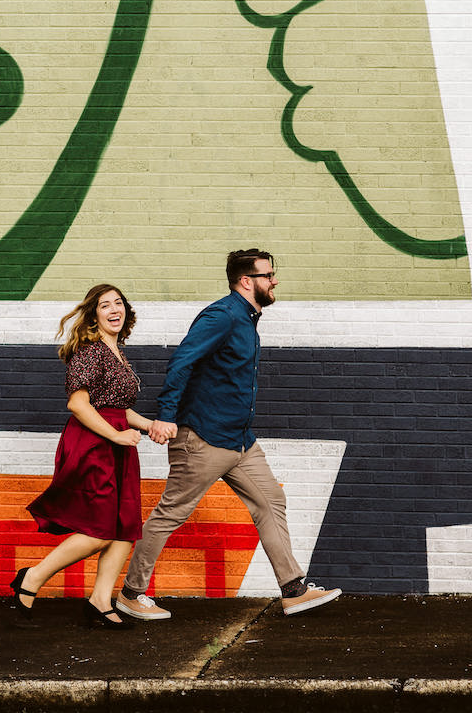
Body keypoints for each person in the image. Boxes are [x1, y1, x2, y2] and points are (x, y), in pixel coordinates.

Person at [115, 249, 341, 619]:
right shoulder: (222, 315)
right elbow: (182, 361)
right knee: (170, 514)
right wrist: (167, 417)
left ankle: (293, 590)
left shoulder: (248, 318)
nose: (275, 281)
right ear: (247, 281)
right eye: (268, 275)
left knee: (271, 502)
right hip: (203, 438)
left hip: (240, 441)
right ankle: (131, 593)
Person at [14, 283, 163, 630]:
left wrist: (151, 426)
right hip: (94, 443)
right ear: (94, 315)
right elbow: (78, 405)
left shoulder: (118, 352)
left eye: (118, 303)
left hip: (117, 443)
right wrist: (115, 435)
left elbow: (119, 410)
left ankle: (99, 600)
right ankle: (32, 577)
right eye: (105, 305)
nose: (114, 309)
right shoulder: (89, 351)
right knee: (99, 529)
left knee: (125, 527)